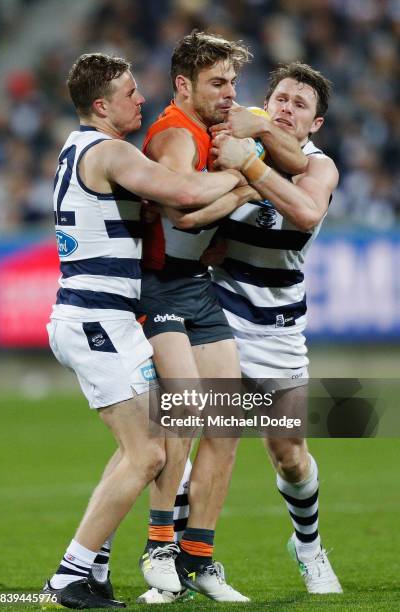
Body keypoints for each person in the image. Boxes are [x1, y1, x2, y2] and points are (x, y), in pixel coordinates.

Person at [42, 51, 244, 610]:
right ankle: (70, 575)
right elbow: (183, 193)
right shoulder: (109, 150)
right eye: (130, 93)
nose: (141, 99)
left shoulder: (74, 147)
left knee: (146, 447)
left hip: (98, 318)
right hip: (97, 319)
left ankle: (95, 566)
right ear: (102, 105)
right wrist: (246, 172)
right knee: (149, 453)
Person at [132, 32, 307, 604]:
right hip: (158, 288)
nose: (231, 93)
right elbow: (183, 212)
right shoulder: (178, 134)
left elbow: (301, 164)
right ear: (183, 85)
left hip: (197, 287)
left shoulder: (219, 128)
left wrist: (252, 156)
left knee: (226, 425)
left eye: (233, 81)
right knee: (179, 416)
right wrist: (244, 180)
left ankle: (200, 558)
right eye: (217, 83)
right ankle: (158, 548)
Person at [209, 61, 343, 594]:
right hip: (215, 311)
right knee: (201, 436)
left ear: (315, 125)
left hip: (279, 324)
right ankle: (177, 559)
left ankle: (308, 547)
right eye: (280, 99)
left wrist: (254, 160)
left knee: (289, 455)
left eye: (300, 105)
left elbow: (306, 214)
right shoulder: (231, 143)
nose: (287, 108)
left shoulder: (319, 166)